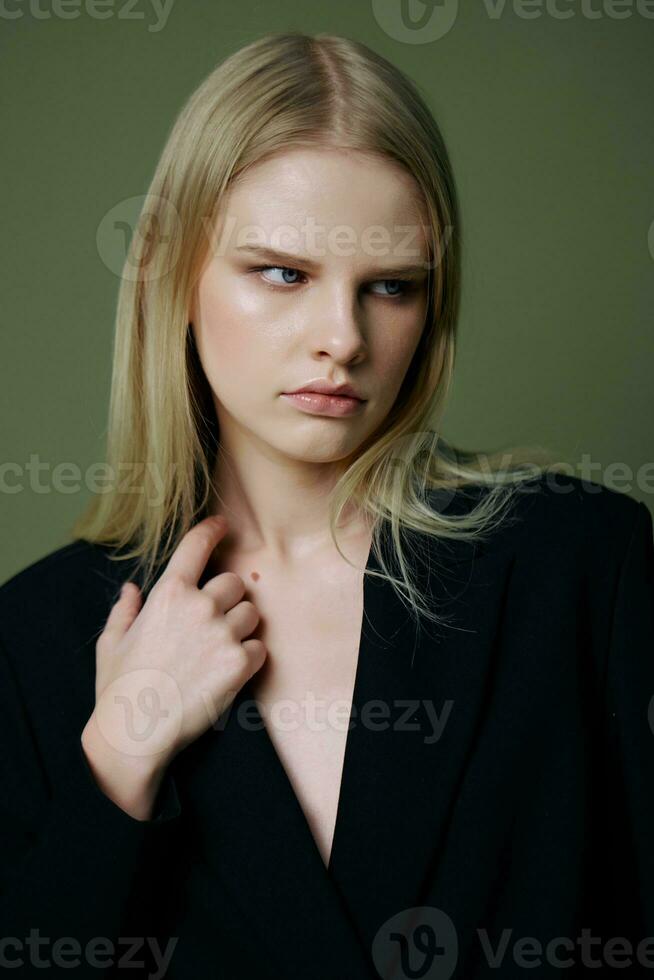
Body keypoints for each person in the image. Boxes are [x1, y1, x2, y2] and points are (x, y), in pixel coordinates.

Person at [1, 31, 652, 980]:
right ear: (172, 273)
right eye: (283, 273)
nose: (341, 339)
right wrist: (119, 764)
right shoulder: (35, 639)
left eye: (391, 287)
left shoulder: (582, 566)